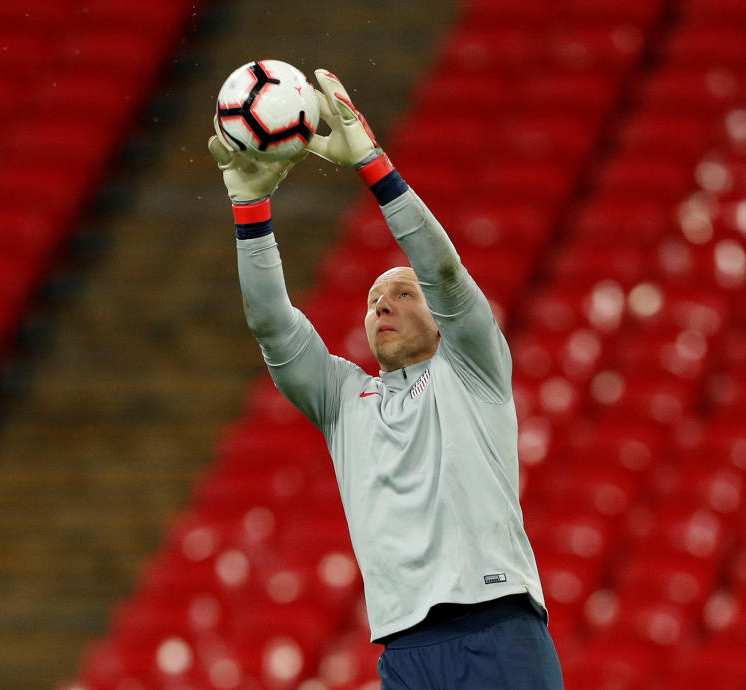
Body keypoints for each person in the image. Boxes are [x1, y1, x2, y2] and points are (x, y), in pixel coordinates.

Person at [208, 68, 564, 689]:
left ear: (440, 318)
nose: (383, 306)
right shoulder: (343, 401)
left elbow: (445, 274)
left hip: (500, 631)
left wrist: (374, 166)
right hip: (405, 654)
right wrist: (250, 208)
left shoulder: (475, 369)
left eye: (403, 293)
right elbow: (270, 323)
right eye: (374, 300)